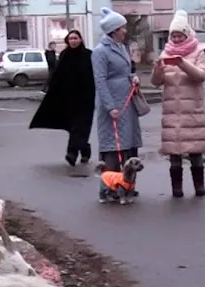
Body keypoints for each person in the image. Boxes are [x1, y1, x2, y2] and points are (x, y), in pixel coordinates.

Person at [151, 10, 205, 198]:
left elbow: (201, 75)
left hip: (192, 109)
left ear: (186, 34)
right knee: (174, 151)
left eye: (179, 35)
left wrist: (182, 63)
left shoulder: (198, 51)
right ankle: (177, 188)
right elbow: (156, 82)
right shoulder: (165, 52)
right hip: (172, 110)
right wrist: (158, 70)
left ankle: (199, 186)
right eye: (173, 35)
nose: (175, 39)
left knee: (195, 149)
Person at [92, 7, 142, 203]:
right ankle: (110, 186)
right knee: (113, 147)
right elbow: (100, 80)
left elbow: (125, 70)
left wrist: (133, 77)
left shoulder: (122, 47)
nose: (125, 31)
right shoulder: (100, 52)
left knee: (128, 144)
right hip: (112, 105)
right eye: (122, 28)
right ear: (113, 30)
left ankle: (127, 184)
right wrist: (110, 105)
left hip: (127, 102)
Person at [29, 30, 95, 169]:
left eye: (75, 38)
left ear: (81, 40)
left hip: (86, 98)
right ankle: (84, 149)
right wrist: (51, 90)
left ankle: (71, 153)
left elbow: (95, 75)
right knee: (74, 127)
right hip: (69, 98)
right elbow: (57, 75)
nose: (73, 41)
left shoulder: (88, 55)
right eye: (71, 38)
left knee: (81, 126)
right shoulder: (65, 55)